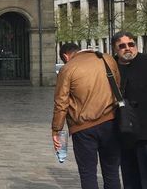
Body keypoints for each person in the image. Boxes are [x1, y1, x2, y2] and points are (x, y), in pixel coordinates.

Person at [52, 42, 122, 189]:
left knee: (88, 173)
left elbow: (61, 103)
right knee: (112, 172)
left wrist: (56, 130)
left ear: (65, 56)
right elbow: (118, 87)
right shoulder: (107, 59)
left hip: (82, 128)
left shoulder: (68, 68)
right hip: (111, 122)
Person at [112, 31, 147, 189]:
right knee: (129, 176)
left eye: (131, 44)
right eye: (122, 46)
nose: (127, 48)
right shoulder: (110, 67)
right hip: (123, 131)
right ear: (115, 49)